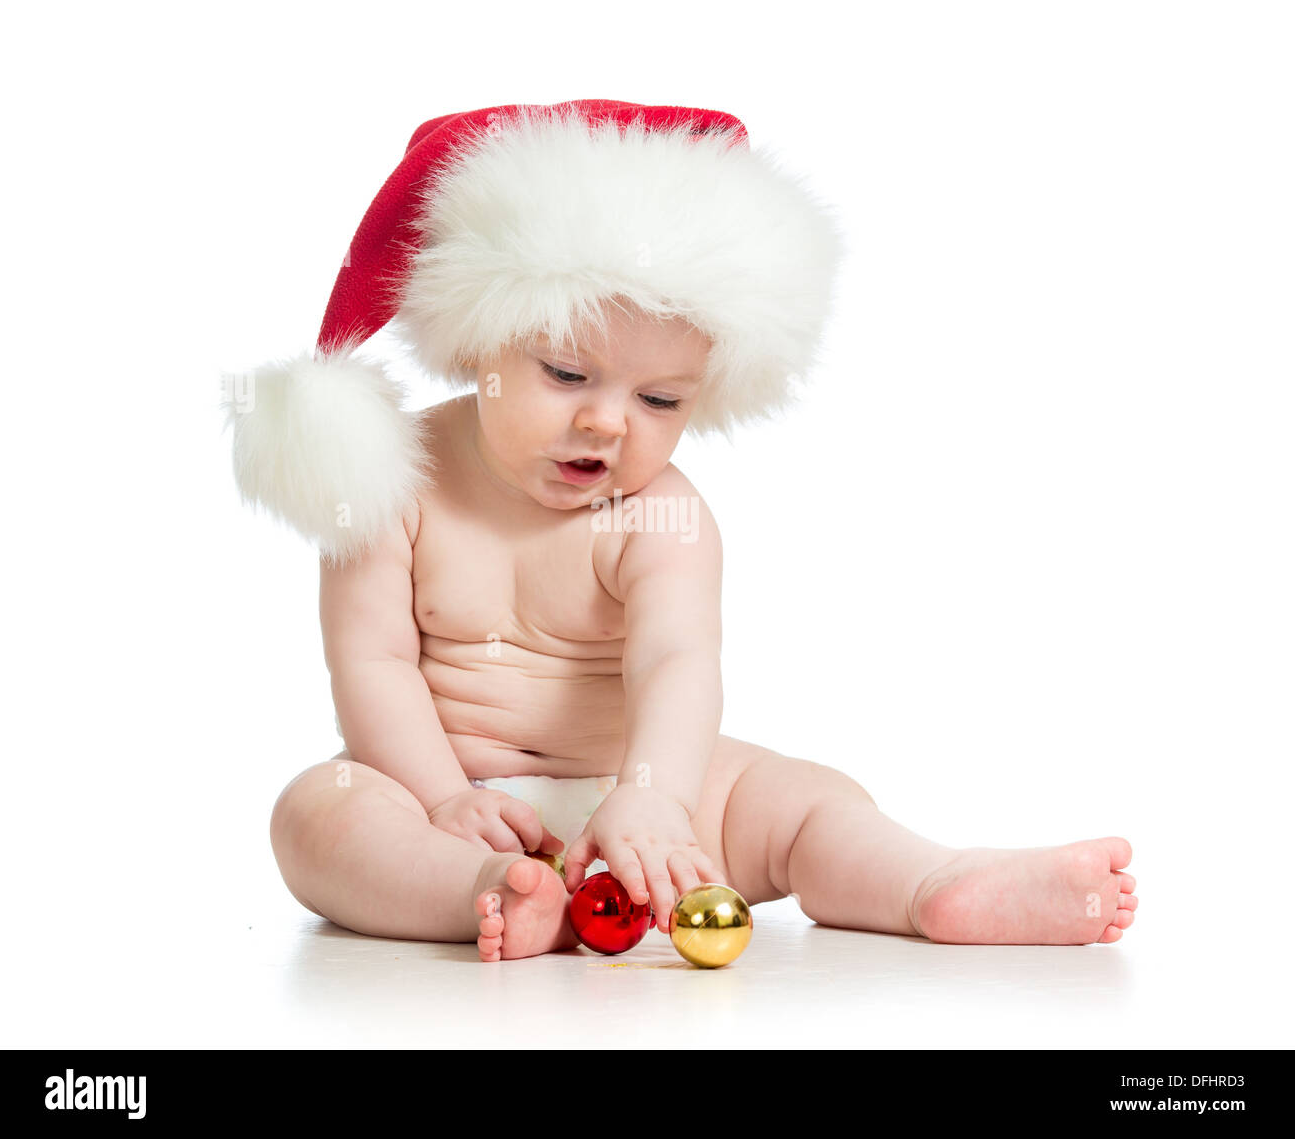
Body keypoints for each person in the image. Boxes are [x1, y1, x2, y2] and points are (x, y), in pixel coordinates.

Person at [224, 100, 1137, 960]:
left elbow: (675, 663)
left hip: (642, 802)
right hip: (437, 795)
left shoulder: (663, 516)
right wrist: (443, 798)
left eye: (660, 399)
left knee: (804, 797)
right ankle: (487, 890)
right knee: (318, 814)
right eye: (567, 375)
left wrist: (653, 799)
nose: (610, 423)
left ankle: (931, 882)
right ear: (478, 342)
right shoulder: (392, 481)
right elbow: (370, 663)